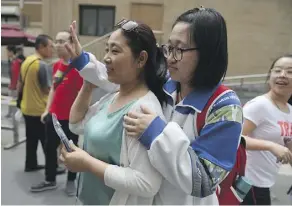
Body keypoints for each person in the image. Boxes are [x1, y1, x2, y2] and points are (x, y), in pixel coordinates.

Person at [66, 7, 243, 205]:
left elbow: (203, 181)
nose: (169, 57)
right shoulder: (167, 83)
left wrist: (157, 133)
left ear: (208, 53)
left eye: (179, 49)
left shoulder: (225, 108)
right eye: (169, 47)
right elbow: (121, 77)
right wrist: (81, 60)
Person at [60, 20, 167, 205]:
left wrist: (86, 163)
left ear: (141, 59)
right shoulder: (114, 95)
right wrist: (88, 83)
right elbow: (76, 124)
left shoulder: (143, 109)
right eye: (107, 50)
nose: (106, 58)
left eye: (115, 51)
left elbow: (147, 183)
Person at [30, 31, 83, 195]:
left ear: (72, 43)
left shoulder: (80, 67)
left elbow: (84, 93)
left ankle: (71, 181)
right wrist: (47, 109)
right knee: (50, 147)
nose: (58, 45)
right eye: (57, 41)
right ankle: (50, 179)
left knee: (71, 150)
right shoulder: (56, 65)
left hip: (71, 119)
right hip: (53, 117)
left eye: (62, 41)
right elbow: (53, 88)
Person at [241, 54, 292, 205]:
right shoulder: (259, 105)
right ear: (270, 76)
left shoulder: (289, 110)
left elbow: (287, 145)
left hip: (264, 183)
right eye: (277, 70)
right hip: (246, 182)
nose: (282, 75)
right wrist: (271, 146)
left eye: (290, 71)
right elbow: (235, 138)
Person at [18, 34, 54, 172]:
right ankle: (52, 168)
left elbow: (20, 84)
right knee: (47, 141)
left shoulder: (27, 61)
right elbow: (47, 90)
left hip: (26, 107)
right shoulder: (42, 65)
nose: (52, 50)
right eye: (50, 46)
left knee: (31, 140)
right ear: (41, 47)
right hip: (39, 109)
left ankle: (30, 164)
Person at [6, 45, 21, 118]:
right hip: (11, 85)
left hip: (15, 87)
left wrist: (16, 86)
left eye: (8, 52)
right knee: (10, 101)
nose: (7, 54)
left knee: (14, 102)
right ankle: (10, 113)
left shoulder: (17, 62)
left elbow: (17, 75)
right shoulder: (12, 61)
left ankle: (14, 115)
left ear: (11, 52)